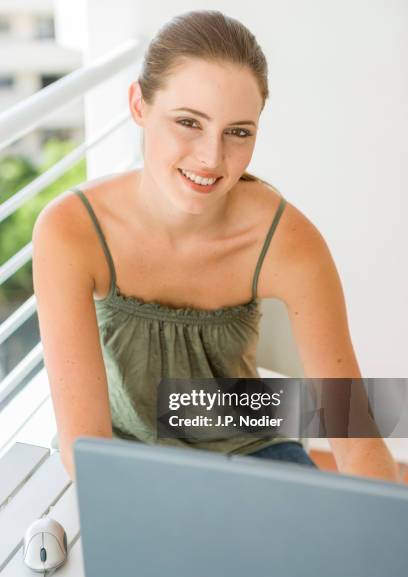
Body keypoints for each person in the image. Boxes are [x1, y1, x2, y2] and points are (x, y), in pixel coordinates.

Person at [32, 10, 399, 483]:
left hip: (249, 448)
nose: (211, 158)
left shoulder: (289, 242)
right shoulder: (69, 230)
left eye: (238, 132)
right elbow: (85, 444)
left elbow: (355, 433)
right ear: (139, 106)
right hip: (121, 458)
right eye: (188, 122)